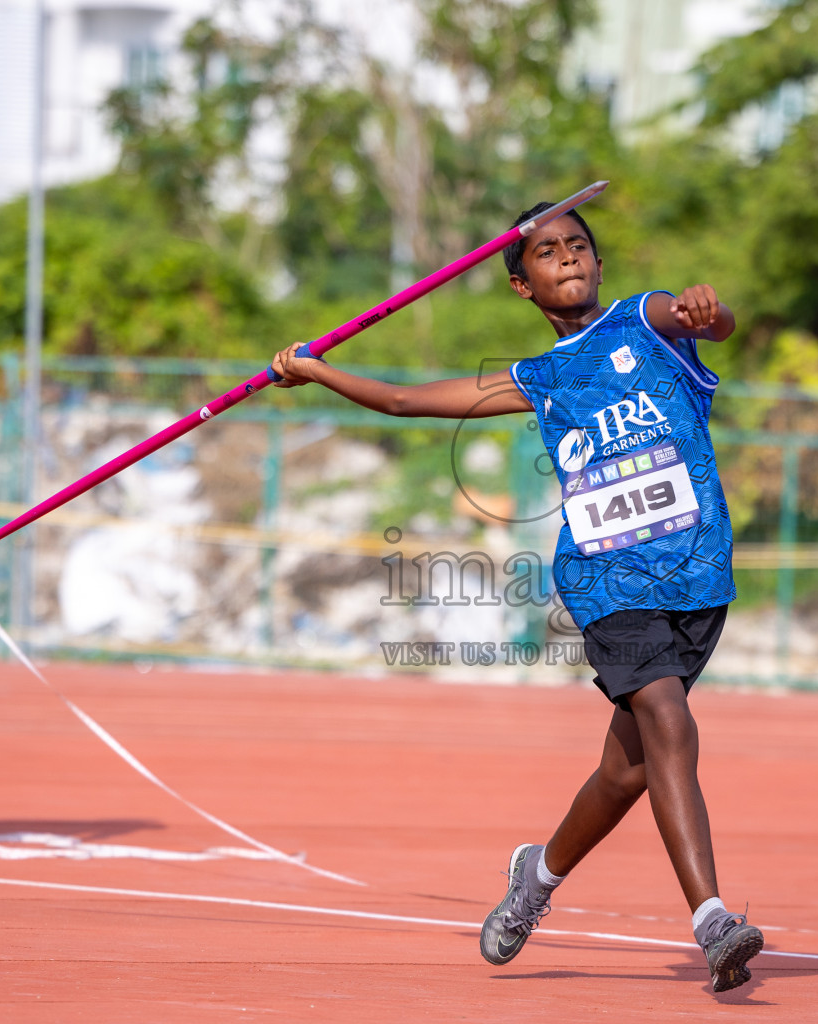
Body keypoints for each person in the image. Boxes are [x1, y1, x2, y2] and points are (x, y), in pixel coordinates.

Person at [271, 202, 764, 991]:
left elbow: (711, 319)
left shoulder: (648, 322)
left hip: (699, 576)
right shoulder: (539, 378)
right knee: (668, 719)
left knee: (629, 770)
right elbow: (405, 401)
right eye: (546, 252)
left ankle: (538, 875)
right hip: (608, 582)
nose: (566, 257)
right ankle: (712, 920)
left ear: (599, 267)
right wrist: (318, 370)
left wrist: (713, 309)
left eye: (578, 246)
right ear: (520, 284)